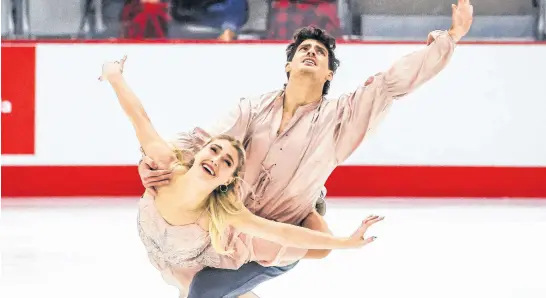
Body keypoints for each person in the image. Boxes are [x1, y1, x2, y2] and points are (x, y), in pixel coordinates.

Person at [139, 1, 474, 296]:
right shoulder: (251, 109)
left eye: (320, 51)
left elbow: (391, 84)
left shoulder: (342, 118)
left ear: (329, 72)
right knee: (190, 282)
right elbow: (200, 142)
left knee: (204, 291)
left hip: (279, 240)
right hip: (229, 230)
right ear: (288, 66)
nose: (311, 52)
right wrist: (155, 161)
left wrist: (451, 38)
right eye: (304, 49)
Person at [99, 57, 384, 297]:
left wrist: (346, 242)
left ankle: (308, 203)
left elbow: (282, 232)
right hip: (168, 256)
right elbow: (139, 117)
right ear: (198, 154)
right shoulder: (166, 167)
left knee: (306, 250)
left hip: (208, 254)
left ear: (227, 181)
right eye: (213, 150)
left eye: (226, 162)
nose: (215, 159)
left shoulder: (223, 212)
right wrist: (114, 76)